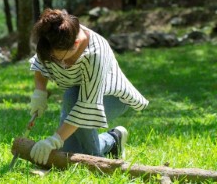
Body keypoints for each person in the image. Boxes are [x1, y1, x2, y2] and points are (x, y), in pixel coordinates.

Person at [28, 8, 149, 165]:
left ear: (76, 44)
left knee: (72, 97)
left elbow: (85, 107)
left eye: (59, 59)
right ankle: (114, 139)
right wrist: (40, 92)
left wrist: (54, 140)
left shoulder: (96, 53)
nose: (58, 64)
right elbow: (41, 63)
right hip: (78, 97)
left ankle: (99, 164)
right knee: (70, 151)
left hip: (113, 98)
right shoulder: (53, 37)